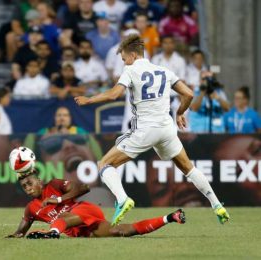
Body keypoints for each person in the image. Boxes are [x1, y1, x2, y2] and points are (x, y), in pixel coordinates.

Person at [75, 34, 230, 225]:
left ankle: (122, 200)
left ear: (132, 56)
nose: (124, 62)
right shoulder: (165, 71)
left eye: (124, 59)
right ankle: (216, 205)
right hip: (166, 129)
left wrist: (88, 99)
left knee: (104, 164)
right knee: (188, 168)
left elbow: (114, 94)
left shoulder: (130, 70)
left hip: (145, 130)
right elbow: (188, 94)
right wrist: (180, 112)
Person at [6, 170, 186, 239]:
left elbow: (84, 188)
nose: (28, 189)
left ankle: (53, 233)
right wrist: (16, 235)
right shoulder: (31, 208)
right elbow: (21, 231)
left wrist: (59, 199)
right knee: (121, 231)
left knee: (62, 216)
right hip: (80, 230)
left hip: (85, 211)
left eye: (30, 183)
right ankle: (171, 217)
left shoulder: (53, 185)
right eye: (24, 187)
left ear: (39, 180)